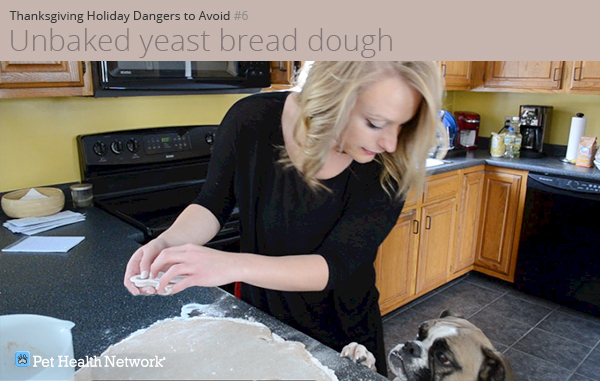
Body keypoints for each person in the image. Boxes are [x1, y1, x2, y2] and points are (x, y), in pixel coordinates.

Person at [124, 61, 444, 376]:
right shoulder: (249, 120)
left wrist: (229, 264)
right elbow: (211, 204)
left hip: (345, 339)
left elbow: (332, 265)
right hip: (261, 324)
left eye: (402, 125)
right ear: (331, 94)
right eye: (375, 123)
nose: (390, 143)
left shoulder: (390, 167)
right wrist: (167, 243)